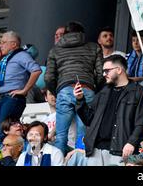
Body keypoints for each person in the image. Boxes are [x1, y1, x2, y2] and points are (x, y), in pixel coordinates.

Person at [74, 55, 143, 166]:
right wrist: (80, 100)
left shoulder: (138, 92)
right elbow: (89, 120)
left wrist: (131, 143)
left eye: (107, 71)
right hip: (95, 150)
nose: (104, 74)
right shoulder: (103, 92)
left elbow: (141, 123)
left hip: (121, 150)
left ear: (119, 70)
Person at [44, 21, 104, 155]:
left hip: (64, 90)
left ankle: (58, 162)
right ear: (82, 33)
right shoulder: (94, 47)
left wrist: (57, 91)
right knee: (83, 134)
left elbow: (48, 77)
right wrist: (94, 89)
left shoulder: (55, 50)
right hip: (86, 88)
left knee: (60, 135)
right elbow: (101, 74)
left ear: (65, 34)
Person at [0, 31, 42, 142]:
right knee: (0, 132)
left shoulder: (21, 55)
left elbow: (36, 70)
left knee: (5, 132)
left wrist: (25, 90)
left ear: (14, 44)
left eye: (3, 42)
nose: (0, 45)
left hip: (13, 98)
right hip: (3, 98)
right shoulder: (7, 59)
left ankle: (9, 157)